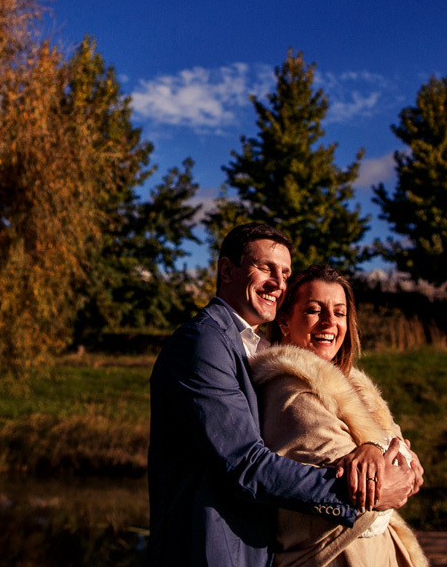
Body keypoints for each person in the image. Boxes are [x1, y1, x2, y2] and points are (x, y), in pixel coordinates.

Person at [148, 223, 417, 567]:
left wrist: (374, 448)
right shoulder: (203, 341)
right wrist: (365, 496)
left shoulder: (251, 348)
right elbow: (244, 463)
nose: (278, 283)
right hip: (208, 549)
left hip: (248, 550)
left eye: (285, 273)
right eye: (265, 268)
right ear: (227, 270)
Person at [250, 264, 429, 567]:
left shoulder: (355, 386)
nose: (330, 322)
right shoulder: (291, 391)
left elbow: (406, 469)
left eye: (340, 312)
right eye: (314, 310)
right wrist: (397, 465)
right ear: (284, 321)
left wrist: (390, 460)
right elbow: (371, 502)